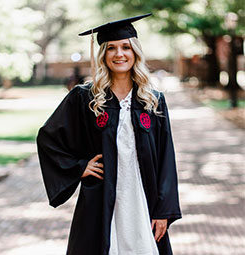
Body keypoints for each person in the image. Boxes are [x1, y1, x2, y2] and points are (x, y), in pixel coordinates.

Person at [37, 13, 182, 255]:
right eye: (111, 48)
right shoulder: (86, 98)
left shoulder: (152, 101)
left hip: (143, 199)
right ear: (103, 54)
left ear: (135, 51)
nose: (119, 54)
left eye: (126, 47)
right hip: (100, 200)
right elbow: (48, 138)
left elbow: (167, 158)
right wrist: (78, 167)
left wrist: (164, 211)